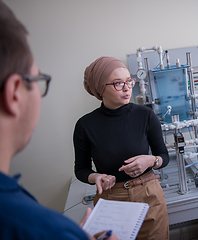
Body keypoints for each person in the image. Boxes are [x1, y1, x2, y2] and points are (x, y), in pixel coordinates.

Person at [0, 2, 118, 239]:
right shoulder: (39, 227)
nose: (126, 88)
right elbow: (81, 169)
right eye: (37, 79)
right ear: (14, 93)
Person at [73, 56, 170, 240]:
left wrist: (151, 160)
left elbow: (163, 156)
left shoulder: (146, 115)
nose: (127, 88)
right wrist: (96, 177)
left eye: (129, 81)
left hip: (149, 195)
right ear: (101, 88)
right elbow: (81, 170)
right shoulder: (85, 125)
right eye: (118, 83)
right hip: (111, 201)